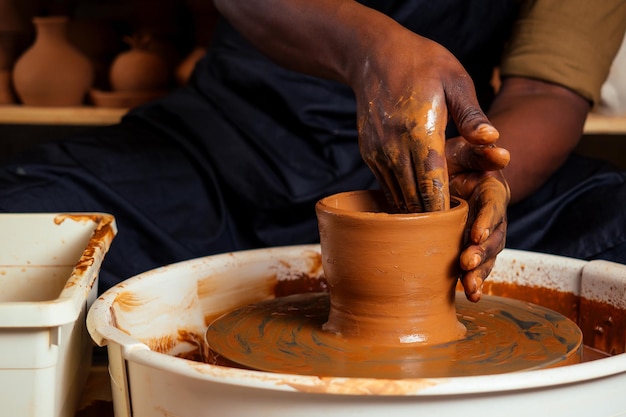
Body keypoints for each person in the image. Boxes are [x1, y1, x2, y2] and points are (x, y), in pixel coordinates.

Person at [0, 1, 624, 299]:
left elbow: (547, 86)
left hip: (434, 170)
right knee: (23, 221)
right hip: (228, 149)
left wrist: (484, 170)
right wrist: (369, 48)